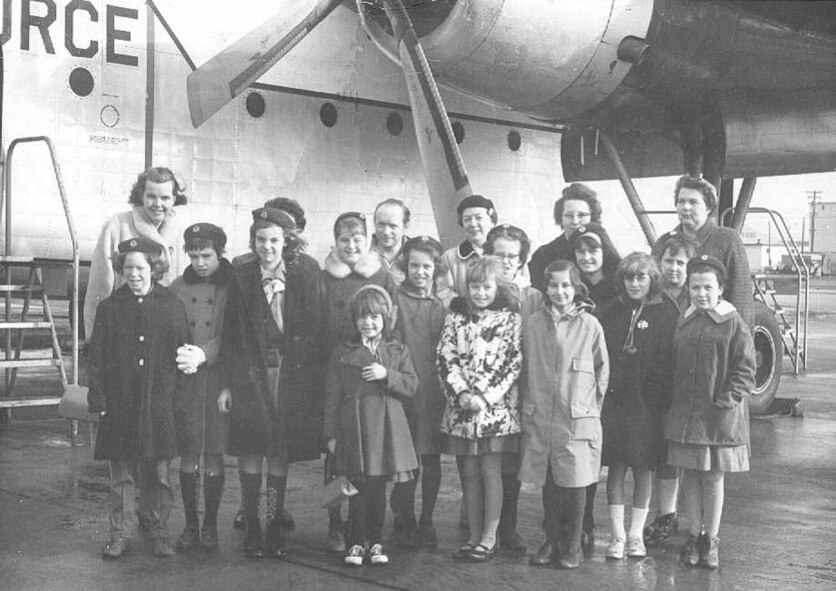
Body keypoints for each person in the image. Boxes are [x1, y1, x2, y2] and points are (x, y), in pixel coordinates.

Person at [218, 207, 323, 558]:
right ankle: (252, 523)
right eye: (261, 240)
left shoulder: (304, 275)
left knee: (279, 451)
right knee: (251, 448)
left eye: (274, 240)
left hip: (289, 376)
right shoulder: (242, 275)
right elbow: (230, 333)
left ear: (285, 242)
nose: (267, 247)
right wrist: (227, 385)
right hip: (250, 376)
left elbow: (314, 329)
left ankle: (274, 521)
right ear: (253, 241)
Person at [86, 237, 189, 559]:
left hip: (159, 402)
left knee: (159, 472)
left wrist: (177, 401)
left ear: (154, 269)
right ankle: (119, 533)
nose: (133, 274)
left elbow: (182, 354)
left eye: (140, 268)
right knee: (122, 473)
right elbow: (96, 358)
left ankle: (157, 528)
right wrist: (99, 398)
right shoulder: (109, 308)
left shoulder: (171, 305)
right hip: (121, 402)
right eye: (128, 267)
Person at [665, 255, 755, 569]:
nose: (701, 293)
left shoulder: (733, 323)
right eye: (695, 287)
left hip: (717, 415)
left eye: (708, 287)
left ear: (720, 289)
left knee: (713, 477)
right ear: (688, 288)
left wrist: (728, 398)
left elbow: (745, 368)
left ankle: (710, 539)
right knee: (690, 475)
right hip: (687, 415)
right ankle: (693, 535)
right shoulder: (684, 320)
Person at [518, 260, 609, 569]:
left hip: (576, 415)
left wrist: (590, 410)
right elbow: (525, 367)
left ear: (576, 288)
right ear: (546, 287)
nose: (560, 291)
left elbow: (602, 372)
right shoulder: (533, 323)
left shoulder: (590, 325)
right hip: (542, 413)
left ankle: (573, 544)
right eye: (554, 285)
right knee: (549, 479)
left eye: (566, 285)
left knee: (576, 479)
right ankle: (552, 540)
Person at [324, 285, 419, 567]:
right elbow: (332, 395)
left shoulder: (397, 350)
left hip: (385, 429)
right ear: (354, 320)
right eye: (362, 317)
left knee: (377, 488)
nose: (368, 323)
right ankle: (355, 542)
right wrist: (330, 435)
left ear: (385, 319)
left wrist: (386, 374)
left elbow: (411, 384)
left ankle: (375, 541)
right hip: (354, 427)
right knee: (356, 486)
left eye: (375, 317)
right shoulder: (342, 352)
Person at [320, 211, 396, 552]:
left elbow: (392, 322)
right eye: (344, 240)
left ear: (368, 241)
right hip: (337, 368)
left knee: (368, 459)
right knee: (335, 457)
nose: (351, 246)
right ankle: (335, 525)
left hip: (370, 374)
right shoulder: (324, 277)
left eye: (357, 239)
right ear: (335, 242)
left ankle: (364, 527)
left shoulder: (382, 275)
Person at [438, 256, 522, 563]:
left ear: (497, 287)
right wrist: (460, 392)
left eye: (487, 286)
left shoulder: (510, 319)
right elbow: (445, 358)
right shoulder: (455, 318)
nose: (480, 292)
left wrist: (484, 397)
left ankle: (490, 536)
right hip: (462, 412)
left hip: (495, 413)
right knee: (470, 474)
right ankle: (473, 535)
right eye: (475, 286)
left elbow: (511, 363)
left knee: (491, 472)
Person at [598, 253, 677, 560]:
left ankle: (635, 535)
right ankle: (617, 535)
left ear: (651, 279)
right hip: (616, 403)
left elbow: (670, 361)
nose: (634, 283)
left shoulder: (665, 311)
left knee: (644, 468)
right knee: (617, 467)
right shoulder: (610, 311)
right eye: (629, 278)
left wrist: (659, 402)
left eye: (640, 277)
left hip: (649, 406)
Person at [169, 223, 234, 553]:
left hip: (218, 380)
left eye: (206, 255)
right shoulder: (177, 287)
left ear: (220, 253)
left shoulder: (232, 287)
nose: (199, 262)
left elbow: (235, 335)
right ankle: (190, 525)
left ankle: (210, 524)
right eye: (193, 256)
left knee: (214, 453)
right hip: (187, 380)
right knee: (189, 451)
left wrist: (205, 353)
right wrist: (182, 355)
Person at [483, 223, 544, 554]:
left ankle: (507, 527)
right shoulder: (480, 292)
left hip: (520, 389)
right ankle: (479, 523)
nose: (505, 262)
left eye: (512, 256)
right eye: (499, 255)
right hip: (486, 390)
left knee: (511, 462)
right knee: (483, 460)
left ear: (522, 260)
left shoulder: (532, 297)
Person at [84, 167, 188, 341]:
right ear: (141, 195)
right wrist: (94, 338)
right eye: (151, 196)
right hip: (122, 329)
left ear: (174, 199)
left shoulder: (179, 232)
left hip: (162, 332)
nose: (158, 204)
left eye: (165, 198)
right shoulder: (117, 226)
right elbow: (99, 287)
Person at [390, 236, 448, 548]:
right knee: (407, 459)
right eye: (414, 265)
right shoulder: (396, 299)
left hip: (435, 394)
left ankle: (427, 519)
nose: (420, 272)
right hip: (406, 393)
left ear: (436, 268)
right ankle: (404, 514)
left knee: (431, 458)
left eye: (426, 266)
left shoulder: (444, 304)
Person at [643, 233, 698, 547]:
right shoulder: (651, 296)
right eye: (668, 261)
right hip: (657, 387)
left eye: (681, 262)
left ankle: (694, 524)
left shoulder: (699, 296)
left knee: (687, 458)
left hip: (689, 388)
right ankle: (665, 514)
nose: (674, 268)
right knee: (661, 455)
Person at [570, 222, 620, 550]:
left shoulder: (618, 287)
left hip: (610, 383)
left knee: (599, 457)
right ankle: (581, 518)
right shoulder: (569, 288)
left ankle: (593, 520)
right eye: (581, 251)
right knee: (578, 456)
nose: (587, 257)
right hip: (578, 383)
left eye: (594, 250)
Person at [651, 176, 754, 329]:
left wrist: (742, 339)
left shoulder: (728, 240)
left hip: (712, 334)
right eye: (681, 201)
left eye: (693, 202)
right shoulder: (663, 242)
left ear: (708, 208)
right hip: (667, 332)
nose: (685, 207)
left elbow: (741, 298)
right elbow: (652, 290)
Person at [528, 183, 619, 292]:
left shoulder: (605, 250)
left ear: (592, 217)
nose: (575, 222)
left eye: (582, 215)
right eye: (569, 215)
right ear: (560, 218)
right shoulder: (544, 255)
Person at [439, 195, 497, 299]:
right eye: (467, 219)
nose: (473, 224)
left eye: (478, 218)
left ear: (491, 221)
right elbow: (443, 291)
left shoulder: (505, 254)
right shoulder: (449, 258)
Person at [370, 198, 411, 285]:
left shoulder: (416, 257)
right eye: (381, 225)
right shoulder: (362, 255)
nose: (386, 232)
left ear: (406, 226)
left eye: (393, 226)